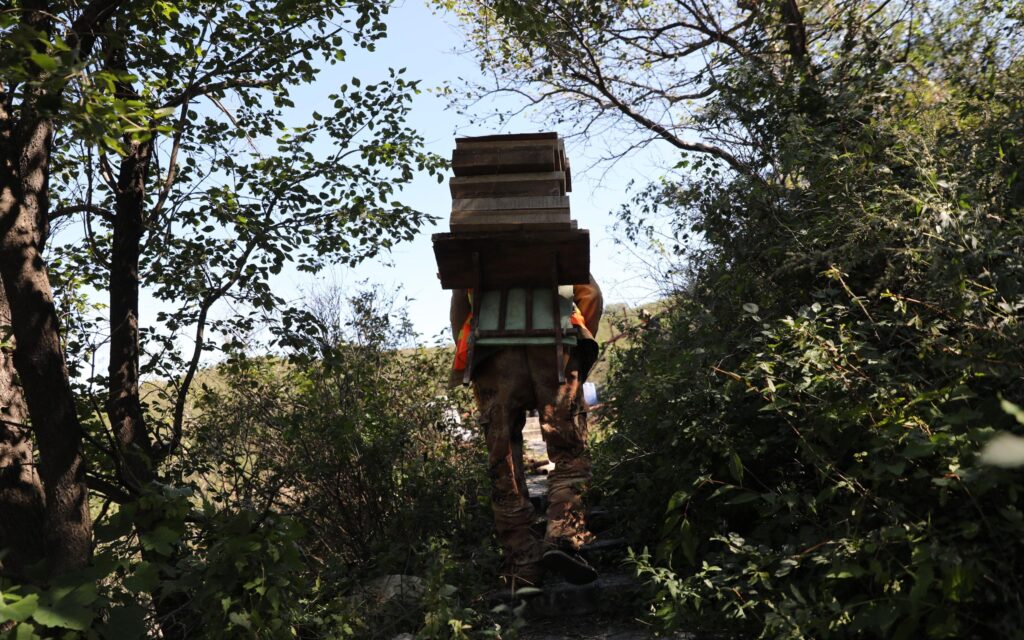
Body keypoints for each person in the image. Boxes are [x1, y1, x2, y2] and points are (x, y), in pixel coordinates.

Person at [449, 276, 603, 587]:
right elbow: (592, 296)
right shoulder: (556, 235)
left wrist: (472, 354)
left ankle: (523, 566)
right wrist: (578, 342)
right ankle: (563, 534)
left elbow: (457, 310)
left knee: (503, 459)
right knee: (569, 450)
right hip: (557, 346)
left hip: (492, 354)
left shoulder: (472, 244)